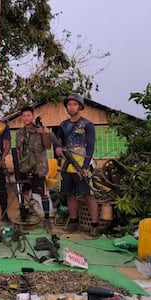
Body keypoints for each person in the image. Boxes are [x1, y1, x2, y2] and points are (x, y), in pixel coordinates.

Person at [54, 93, 99, 231]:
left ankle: (94, 225)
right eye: (69, 104)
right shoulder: (63, 125)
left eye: (74, 104)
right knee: (70, 194)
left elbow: (90, 147)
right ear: (66, 107)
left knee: (88, 195)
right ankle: (73, 222)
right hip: (67, 166)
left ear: (80, 106)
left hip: (82, 165)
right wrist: (57, 149)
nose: (72, 107)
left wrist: (85, 167)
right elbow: (57, 142)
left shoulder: (88, 125)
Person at [15, 106, 52, 221]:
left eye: (28, 115)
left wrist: (42, 134)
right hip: (25, 166)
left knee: (42, 193)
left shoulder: (41, 129)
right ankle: (24, 214)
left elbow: (48, 146)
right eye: (24, 116)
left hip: (38, 167)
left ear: (33, 116)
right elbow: (18, 151)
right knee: (24, 191)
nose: (26, 118)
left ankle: (46, 217)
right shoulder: (20, 132)